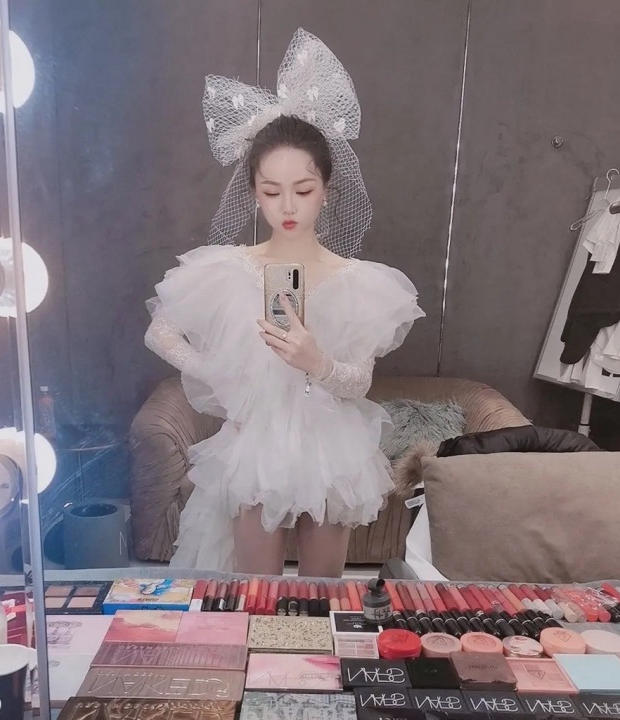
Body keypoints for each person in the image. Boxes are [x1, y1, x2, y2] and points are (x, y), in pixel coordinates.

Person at [145, 28, 424, 576]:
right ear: (253, 192)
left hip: (330, 444)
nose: (288, 206)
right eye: (272, 191)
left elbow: (359, 383)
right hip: (255, 442)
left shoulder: (361, 283)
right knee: (258, 595)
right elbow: (160, 331)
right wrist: (222, 375)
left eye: (304, 189)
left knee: (322, 597)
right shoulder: (227, 269)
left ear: (328, 189)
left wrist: (315, 360)